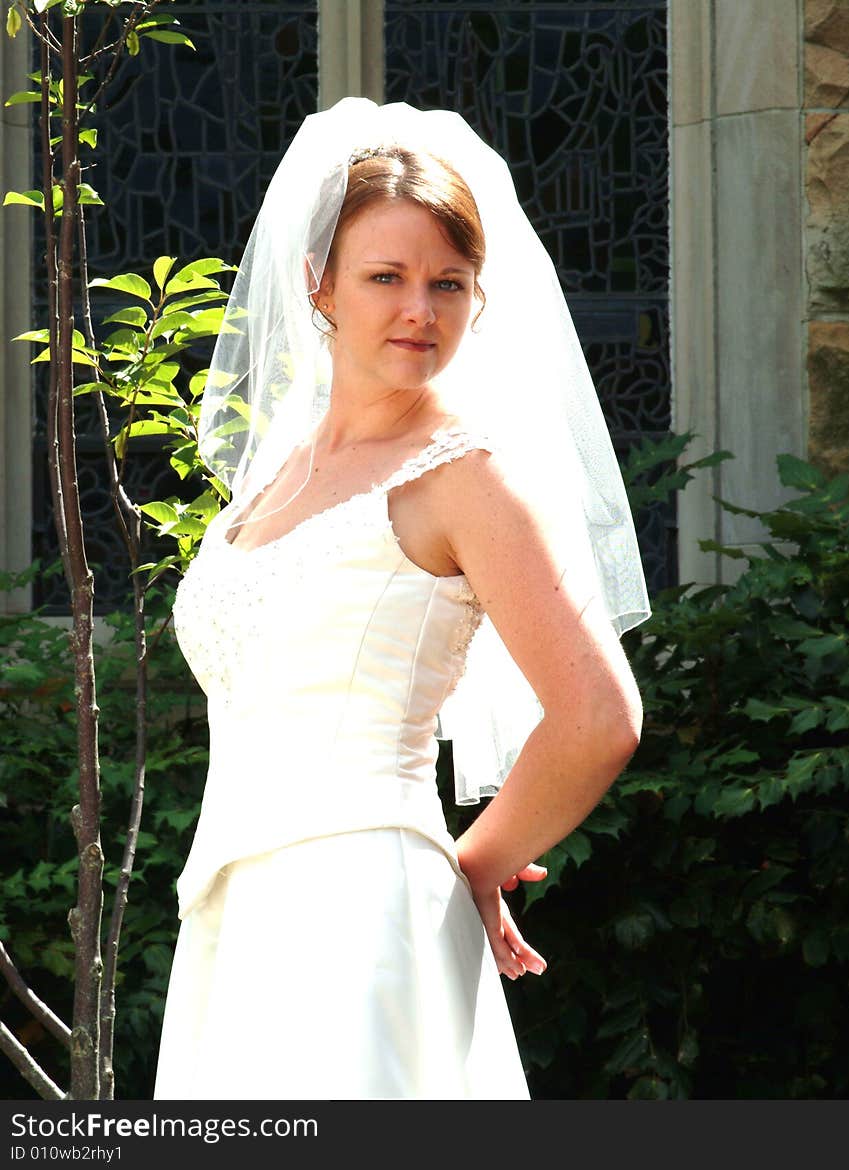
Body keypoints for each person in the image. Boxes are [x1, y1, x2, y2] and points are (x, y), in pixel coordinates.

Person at [152, 98, 649, 1100]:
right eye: (386, 278)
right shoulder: (274, 475)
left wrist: (470, 864)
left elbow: (599, 716)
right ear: (318, 286)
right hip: (231, 918)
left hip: (366, 917)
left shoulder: (465, 475)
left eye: (448, 284)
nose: (420, 312)